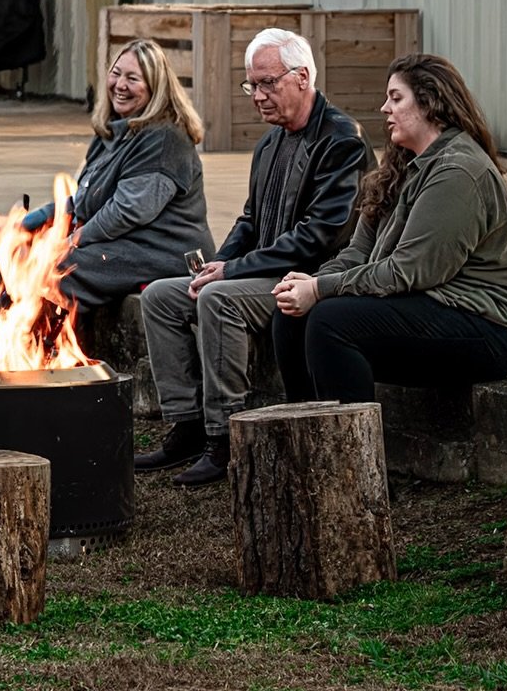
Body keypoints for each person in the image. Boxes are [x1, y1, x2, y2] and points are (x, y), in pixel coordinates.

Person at [133, 28, 373, 486]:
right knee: (162, 296)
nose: (257, 96)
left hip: (311, 278)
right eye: (252, 85)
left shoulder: (343, 140)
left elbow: (320, 236)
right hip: (264, 272)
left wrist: (232, 272)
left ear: (302, 78)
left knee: (219, 300)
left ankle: (224, 439)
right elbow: (250, 219)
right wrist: (217, 264)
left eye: (268, 83)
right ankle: (185, 424)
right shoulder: (270, 141)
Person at [271, 54, 507, 403]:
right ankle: (305, 436)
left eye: (396, 98)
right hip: (430, 303)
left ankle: (353, 455)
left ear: (430, 103)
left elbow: (409, 271)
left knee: (331, 320)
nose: (384, 108)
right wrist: (307, 286)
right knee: (293, 316)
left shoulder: (458, 172)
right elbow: (358, 251)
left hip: (490, 325)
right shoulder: (401, 165)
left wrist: (321, 290)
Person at [20, 39, 213, 305]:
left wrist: (75, 239)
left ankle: (33, 341)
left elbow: (127, 211)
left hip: (163, 253)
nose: (120, 85)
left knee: (55, 267)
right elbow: (85, 199)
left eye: (133, 78)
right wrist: (29, 224)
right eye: (116, 73)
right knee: (25, 252)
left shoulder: (164, 139)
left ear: (155, 88)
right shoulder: (113, 132)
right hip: (123, 245)